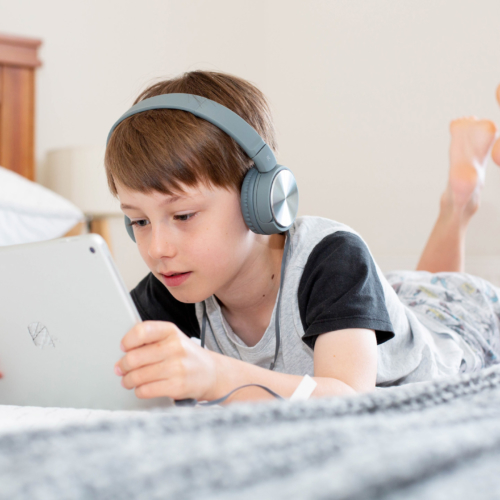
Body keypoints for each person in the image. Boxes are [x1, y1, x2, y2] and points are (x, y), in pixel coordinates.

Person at [102, 71, 500, 404]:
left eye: (183, 215)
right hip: (384, 303)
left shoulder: (334, 258)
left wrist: (218, 376)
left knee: (438, 292)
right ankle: (459, 197)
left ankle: (458, 201)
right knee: (413, 290)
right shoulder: (174, 283)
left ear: (261, 198)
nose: (157, 249)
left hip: (461, 324)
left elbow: (349, 397)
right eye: (139, 222)